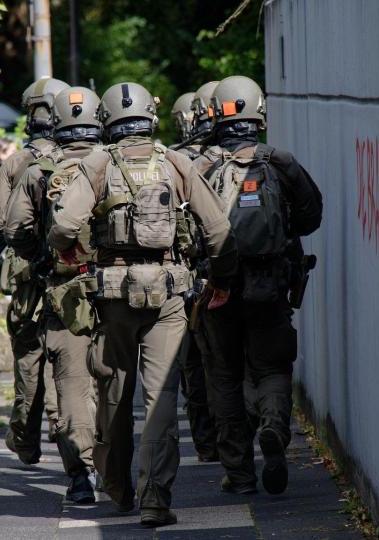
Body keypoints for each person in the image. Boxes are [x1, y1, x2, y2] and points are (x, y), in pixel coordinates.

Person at [47, 82, 238, 527]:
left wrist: (72, 253)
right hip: (169, 295)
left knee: (113, 393)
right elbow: (219, 232)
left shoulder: (98, 163)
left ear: (107, 121)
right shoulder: (177, 162)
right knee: (161, 399)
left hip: (112, 297)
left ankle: (115, 485)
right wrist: (222, 281)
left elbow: (62, 226)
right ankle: (155, 498)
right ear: (151, 116)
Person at [201, 75, 323, 496]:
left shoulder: (201, 166)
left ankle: (239, 474)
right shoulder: (281, 163)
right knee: (272, 367)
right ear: (259, 112)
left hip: (219, 288)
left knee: (226, 377)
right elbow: (311, 217)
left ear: (214, 113)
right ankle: (273, 426)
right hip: (271, 284)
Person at [3, 86, 102, 503]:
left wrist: (39, 258)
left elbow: (9, 229)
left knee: (72, 386)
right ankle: (137, 478)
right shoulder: (118, 161)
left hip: (65, 292)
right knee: (125, 385)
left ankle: (81, 475)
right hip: (125, 289)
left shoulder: (33, 169)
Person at [0, 77, 69, 465]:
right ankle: (65, 426)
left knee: (29, 356)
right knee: (71, 354)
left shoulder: (17, 163)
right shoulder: (84, 158)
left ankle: (25, 439)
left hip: (25, 278)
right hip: (70, 273)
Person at [170, 89, 221, 463]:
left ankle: (206, 443)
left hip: (188, 282)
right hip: (226, 277)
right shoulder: (251, 158)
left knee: (192, 366)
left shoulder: (178, 162)